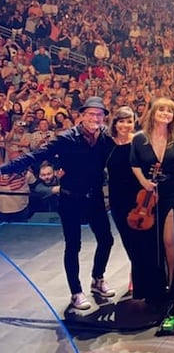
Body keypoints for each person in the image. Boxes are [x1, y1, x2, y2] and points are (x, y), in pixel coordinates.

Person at [0, 96, 116, 310]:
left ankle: (97, 279)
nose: (95, 118)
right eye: (91, 114)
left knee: (107, 240)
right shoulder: (66, 138)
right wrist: (4, 169)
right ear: (81, 116)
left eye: (99, 115)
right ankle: (76, 292)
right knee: (73, 246)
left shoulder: (105, 140)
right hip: (71, 198)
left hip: (95, 197)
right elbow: (35, 155)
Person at [130, 97, 174, 303]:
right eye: (161, 109)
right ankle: (154, 287)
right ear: (153, 112)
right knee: (151, 242)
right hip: (148, 195)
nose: (165, 113)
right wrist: (144, 181)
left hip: (171, 191)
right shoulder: (139, 138)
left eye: (169, 111)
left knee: (170, 241)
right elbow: (134, 164)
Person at [105, 106, 141, 297]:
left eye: (129, 121)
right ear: (115, 122)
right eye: (122, 121)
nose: (125, 125)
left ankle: (137, 275)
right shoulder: (107, 143)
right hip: (117, 196)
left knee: (140, 237)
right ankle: (135, 271)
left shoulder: (139, 140)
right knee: (127, 237)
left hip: (139, 196)